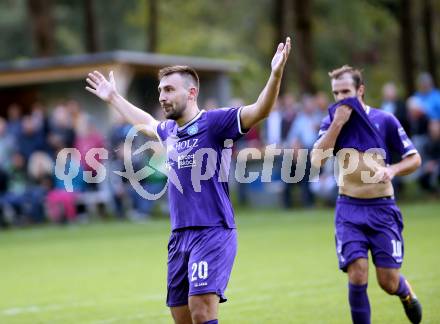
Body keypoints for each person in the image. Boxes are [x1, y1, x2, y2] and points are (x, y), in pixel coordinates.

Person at [86, 37, 291, 324]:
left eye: (169, 89)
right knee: (181, 316)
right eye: (160, 90)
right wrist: (113, 98)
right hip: (179, 235)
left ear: (191, 92)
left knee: (201, 309)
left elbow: (260, 110)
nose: (162, 96)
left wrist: (276, 74)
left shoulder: (216, 123)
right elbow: (145, 122)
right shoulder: (169, 131)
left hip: (212, 231)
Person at [311, 65, 422, 324]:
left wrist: (393, 170)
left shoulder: (385, 120)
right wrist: (337, 124)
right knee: (357, 273)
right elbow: (317, 159)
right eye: (336, 93)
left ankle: (405, 292)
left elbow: (414, 159)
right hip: (348, 209)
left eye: (346, 91)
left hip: (382, 209)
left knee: (388, 281)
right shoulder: (331, 122)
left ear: (360, 90)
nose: (341, 98)